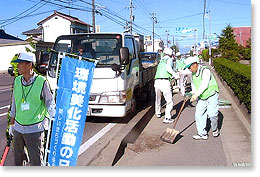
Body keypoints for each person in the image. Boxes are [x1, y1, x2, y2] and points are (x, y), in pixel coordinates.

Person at [8, 52, 55, 166]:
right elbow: (15, 104)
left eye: (20, 64)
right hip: (19, 128)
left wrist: (53, 116)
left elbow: (49, 102)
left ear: (29, 65)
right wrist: (12, 124)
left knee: (36, 161)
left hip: (35, 129)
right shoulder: (18, 81)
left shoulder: (41, 82)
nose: (17, 66)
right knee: (18, 160)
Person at [183, 56, 220, 140]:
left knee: (212, 115)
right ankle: (202, 134)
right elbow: (195, 87)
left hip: (211, 94)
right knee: (199, 114)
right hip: (202, 96)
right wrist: (191, 93)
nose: (189, 69)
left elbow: (204, 84)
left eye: (190, 67)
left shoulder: (205, 70)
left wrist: (196, 95)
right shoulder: (193, 74)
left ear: (195, 64)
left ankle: (215, 129)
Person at [154, 48, 179, 124]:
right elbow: (168, 68)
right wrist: (175, 75)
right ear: (171, 54)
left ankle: (158, 113)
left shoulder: (161, 60)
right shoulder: (169, 59)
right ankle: (167, 117)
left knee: (158, 99)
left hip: (157, 81)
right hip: (165, 82)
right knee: (169, 101)